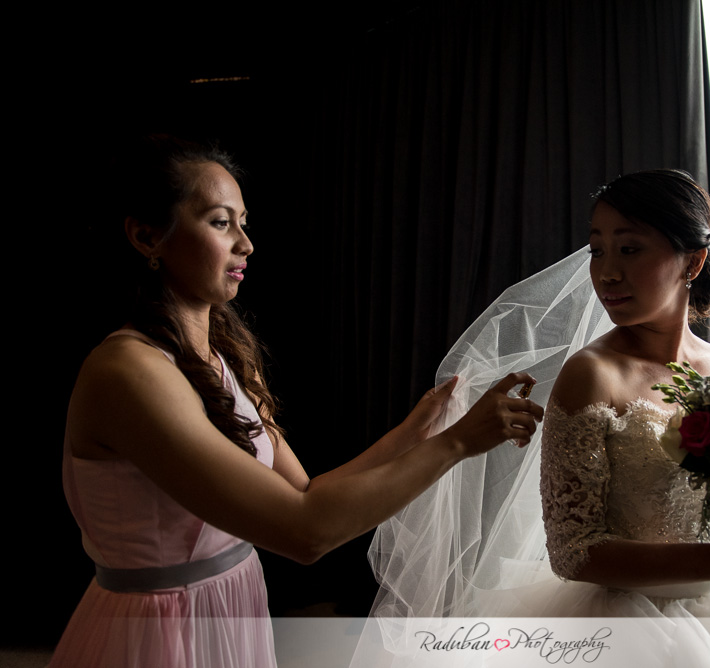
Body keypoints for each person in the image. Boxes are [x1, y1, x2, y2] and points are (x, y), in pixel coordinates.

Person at [51, 135, 543, 668]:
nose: (246, 244)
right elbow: (305, 532)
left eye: (244, 222)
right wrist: (456, 444)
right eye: (220, 222)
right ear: (147, 236)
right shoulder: (129, 371)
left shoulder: (223, 354)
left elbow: (308, 491)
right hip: (159, 629)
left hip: (233, 604)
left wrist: (419, 428)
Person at [363, 170, 710, 667]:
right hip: (623, 632)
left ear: (693, 260)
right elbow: (574, 551)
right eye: (598, 250)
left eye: (630, 249)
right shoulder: (593, 375)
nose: (606, 273)